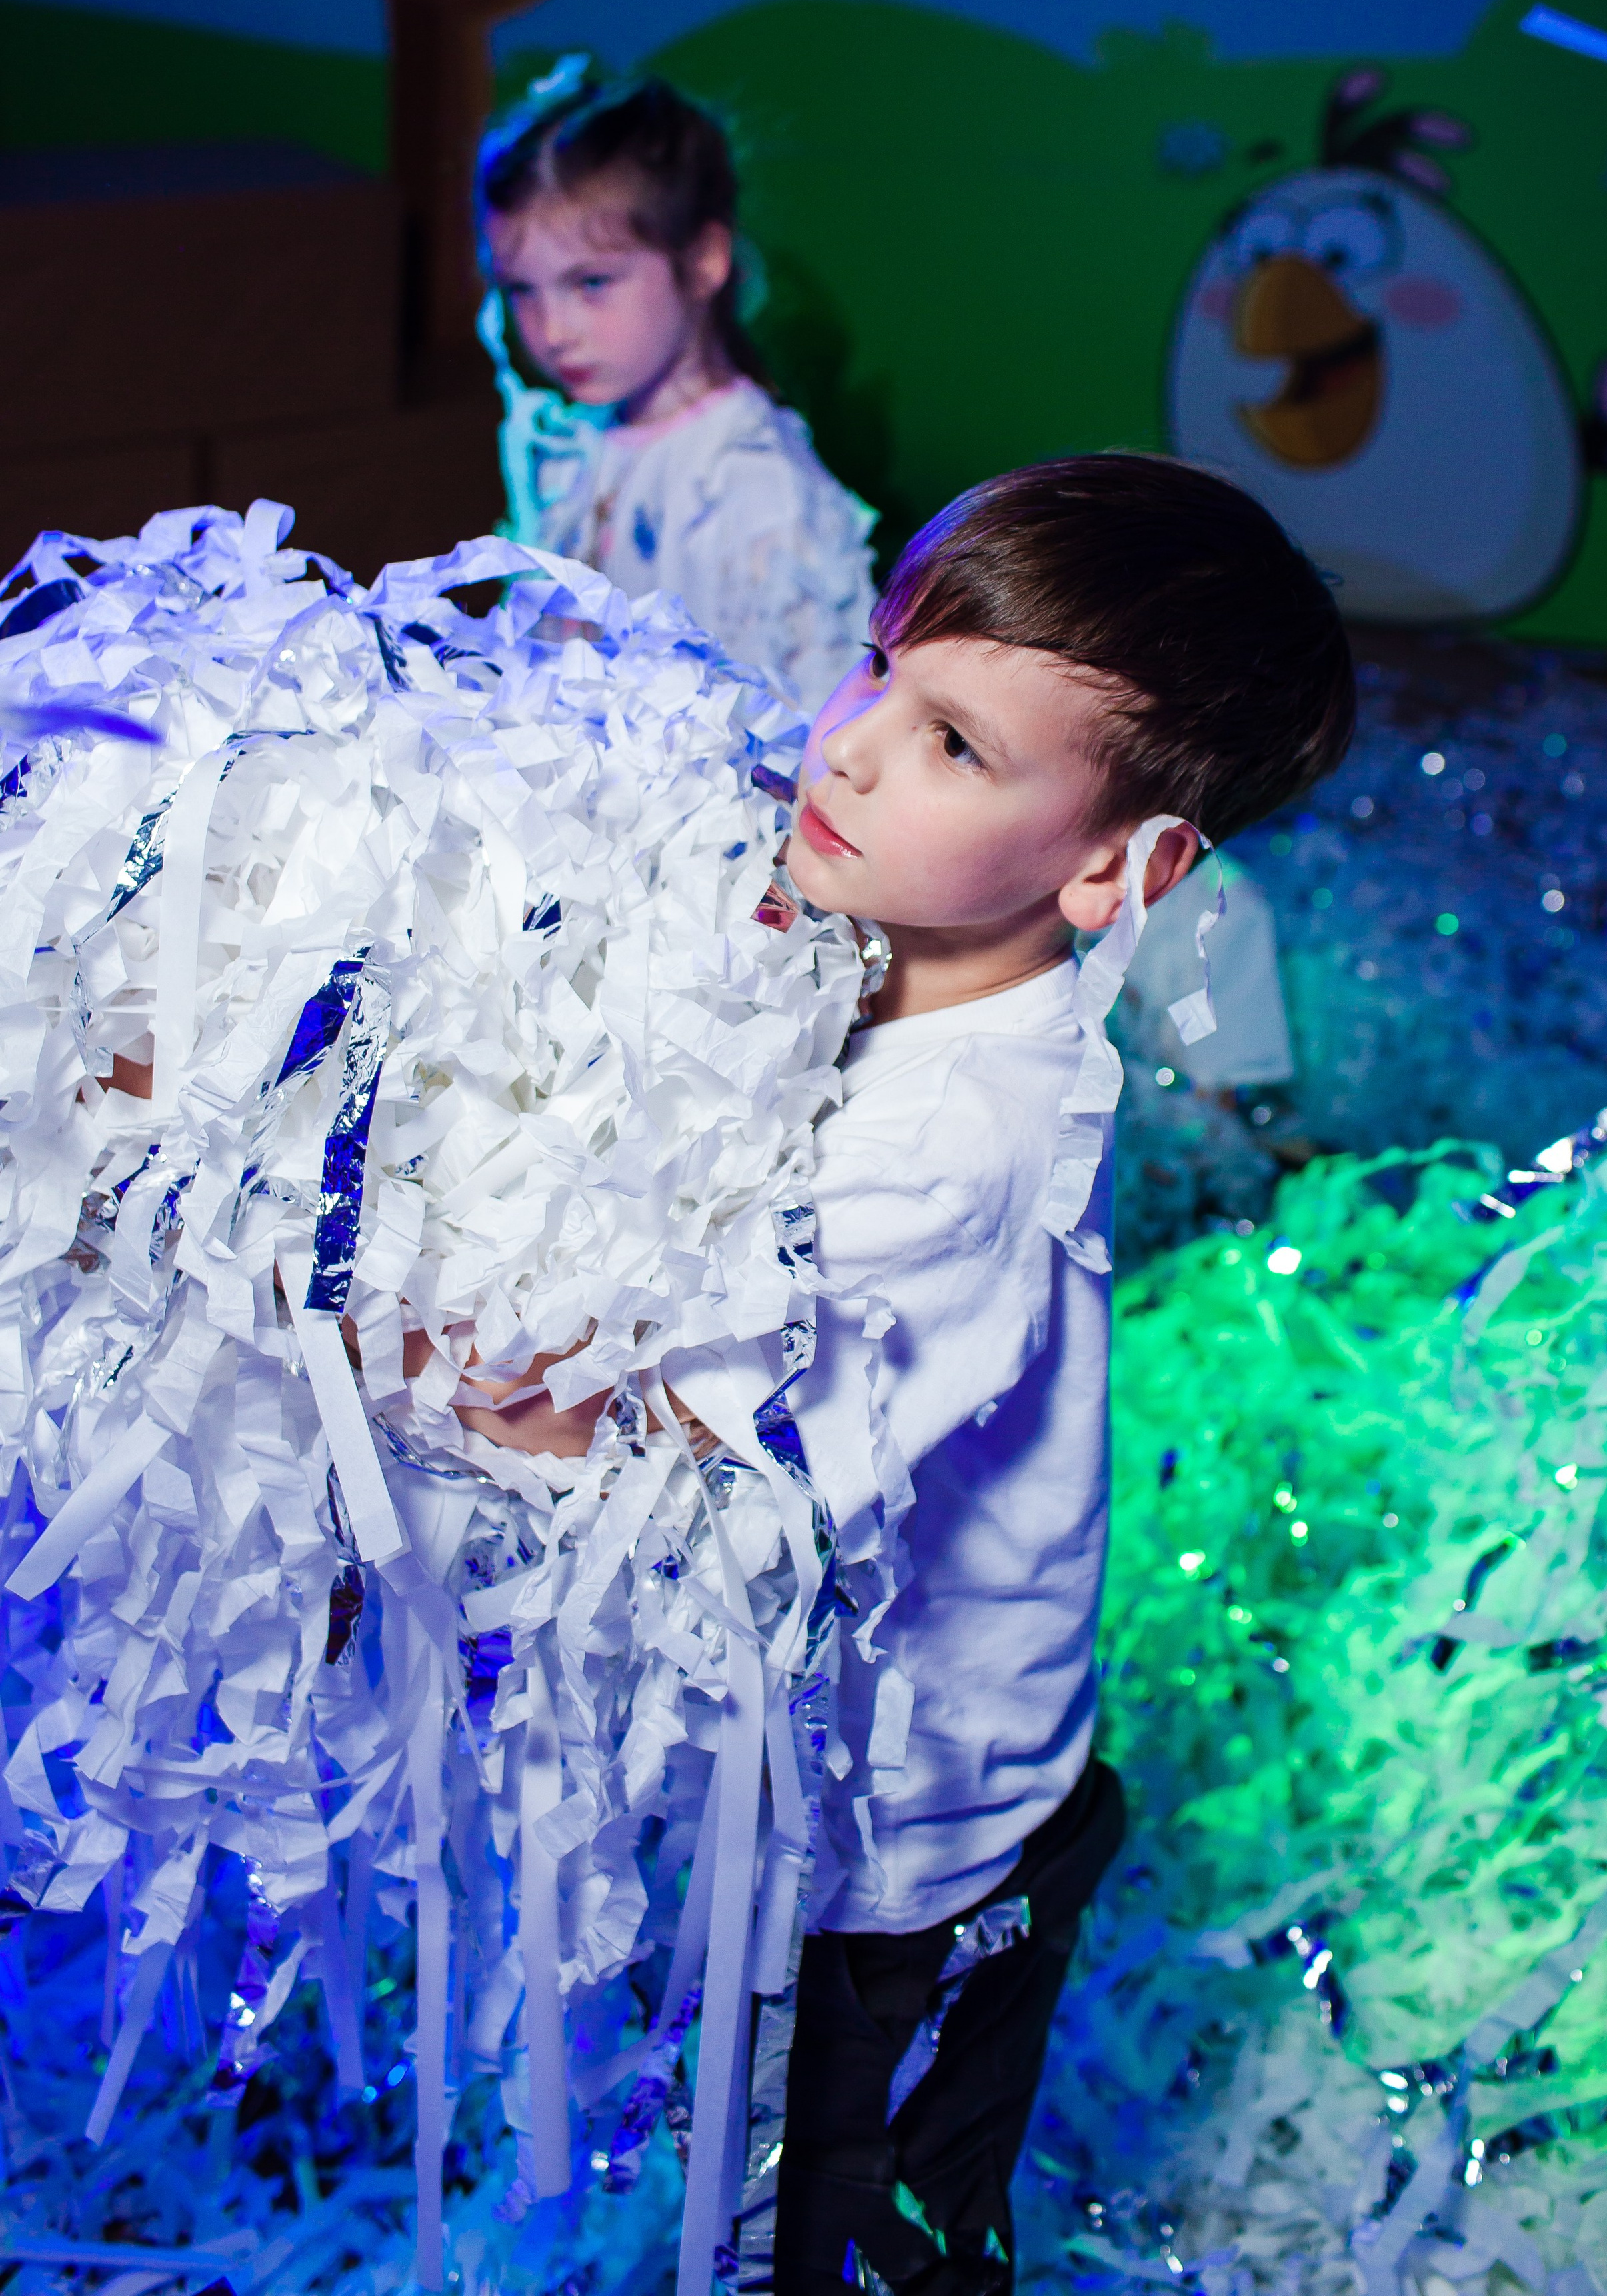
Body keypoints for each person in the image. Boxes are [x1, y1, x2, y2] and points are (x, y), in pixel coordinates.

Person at [462, 453, 1355, 2291]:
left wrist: (534, 1419)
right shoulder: (890, 942)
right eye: (878, 669)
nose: (852, 744)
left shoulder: (965, 1146)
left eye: (955, 744)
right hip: (830, 1779)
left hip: (931, 1842)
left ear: (1121, 870)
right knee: (755, 2161)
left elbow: (730, 1485)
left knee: (874, 2229)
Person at [476, 58, 875, 712]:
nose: (552, 329)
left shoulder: (753, 488)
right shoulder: (576, 442)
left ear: (703, 261)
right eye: (523, 289)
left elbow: (809, 726)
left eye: (591, 283)